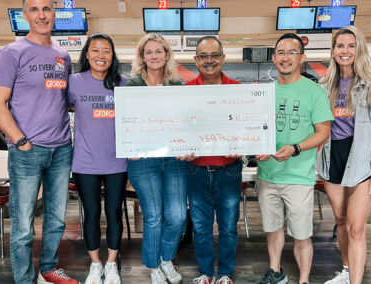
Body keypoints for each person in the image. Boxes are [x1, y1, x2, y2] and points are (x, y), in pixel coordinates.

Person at [0, 0, 79, 283]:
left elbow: (63, 102)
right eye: (35, 10)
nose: (42, 15)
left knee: (56, 220)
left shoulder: (63, 56)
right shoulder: (11, 53)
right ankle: (25, 278)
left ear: (55, 14)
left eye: (47, 9)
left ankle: (48, 270)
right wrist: (21, 140)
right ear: (25, 15)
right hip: (27, 150)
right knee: (24, 226)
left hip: (62, 149)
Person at [255, 33, 333, 284]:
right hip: (267, 175)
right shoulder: (264, 92)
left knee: (301, 234)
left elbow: (324, 132)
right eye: (280, 52)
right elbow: (257, 129)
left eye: (291, 52)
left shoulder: (314, 92)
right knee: (273, 228)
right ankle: (275, 271)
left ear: (302, 58)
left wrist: (296, 148)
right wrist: (257, 148)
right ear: (274, 57)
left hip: (299, 176)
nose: (285, 57)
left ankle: (304, 280)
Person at [317, 26, 371, 284]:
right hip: (332, 156)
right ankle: (346, 273)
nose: (345, 51)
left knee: (356, 228)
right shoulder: (324, 85)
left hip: (361, 160)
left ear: (359, 49)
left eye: (350, 45)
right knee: (341, 219)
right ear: (333, 51)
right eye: (340, 46)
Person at [68, 33, 128, 284]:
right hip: (85, 162)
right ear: (86, 55)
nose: (100, 56)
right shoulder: (73, 82)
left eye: (106, 51)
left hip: (117, 161)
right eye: (95, 50)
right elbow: (54, 109)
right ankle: (95, 264)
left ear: (112, 56)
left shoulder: (123, 83)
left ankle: (111, 264)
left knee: (114, 212)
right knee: (91, 213)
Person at [126, 33, 186, 284]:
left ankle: (166, 259)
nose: (153, 56)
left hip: (174, 159)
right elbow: (127, 122)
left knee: (178, 215)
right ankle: (153, 267)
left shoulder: (178, 85)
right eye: (148, 52)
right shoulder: (133, 86)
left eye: (158, 52)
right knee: (152, 215)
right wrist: (128, 143)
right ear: (142, 57)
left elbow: (186, 122)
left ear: (167, 55)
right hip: (143, 160)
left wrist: (189, 145)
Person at [185, 36, 242, 284]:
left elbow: (246, 130)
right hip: (196, 170)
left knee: (229, 227)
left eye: (214, 56)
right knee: (201, 227)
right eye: (203, 56)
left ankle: (226, 274)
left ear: (223, 58)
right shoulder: (185, 92)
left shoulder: (239, 90)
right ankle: (207, 273)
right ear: (196, 60)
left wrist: (244, 145)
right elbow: (179, 131)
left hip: (228, 170)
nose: (209, 61)